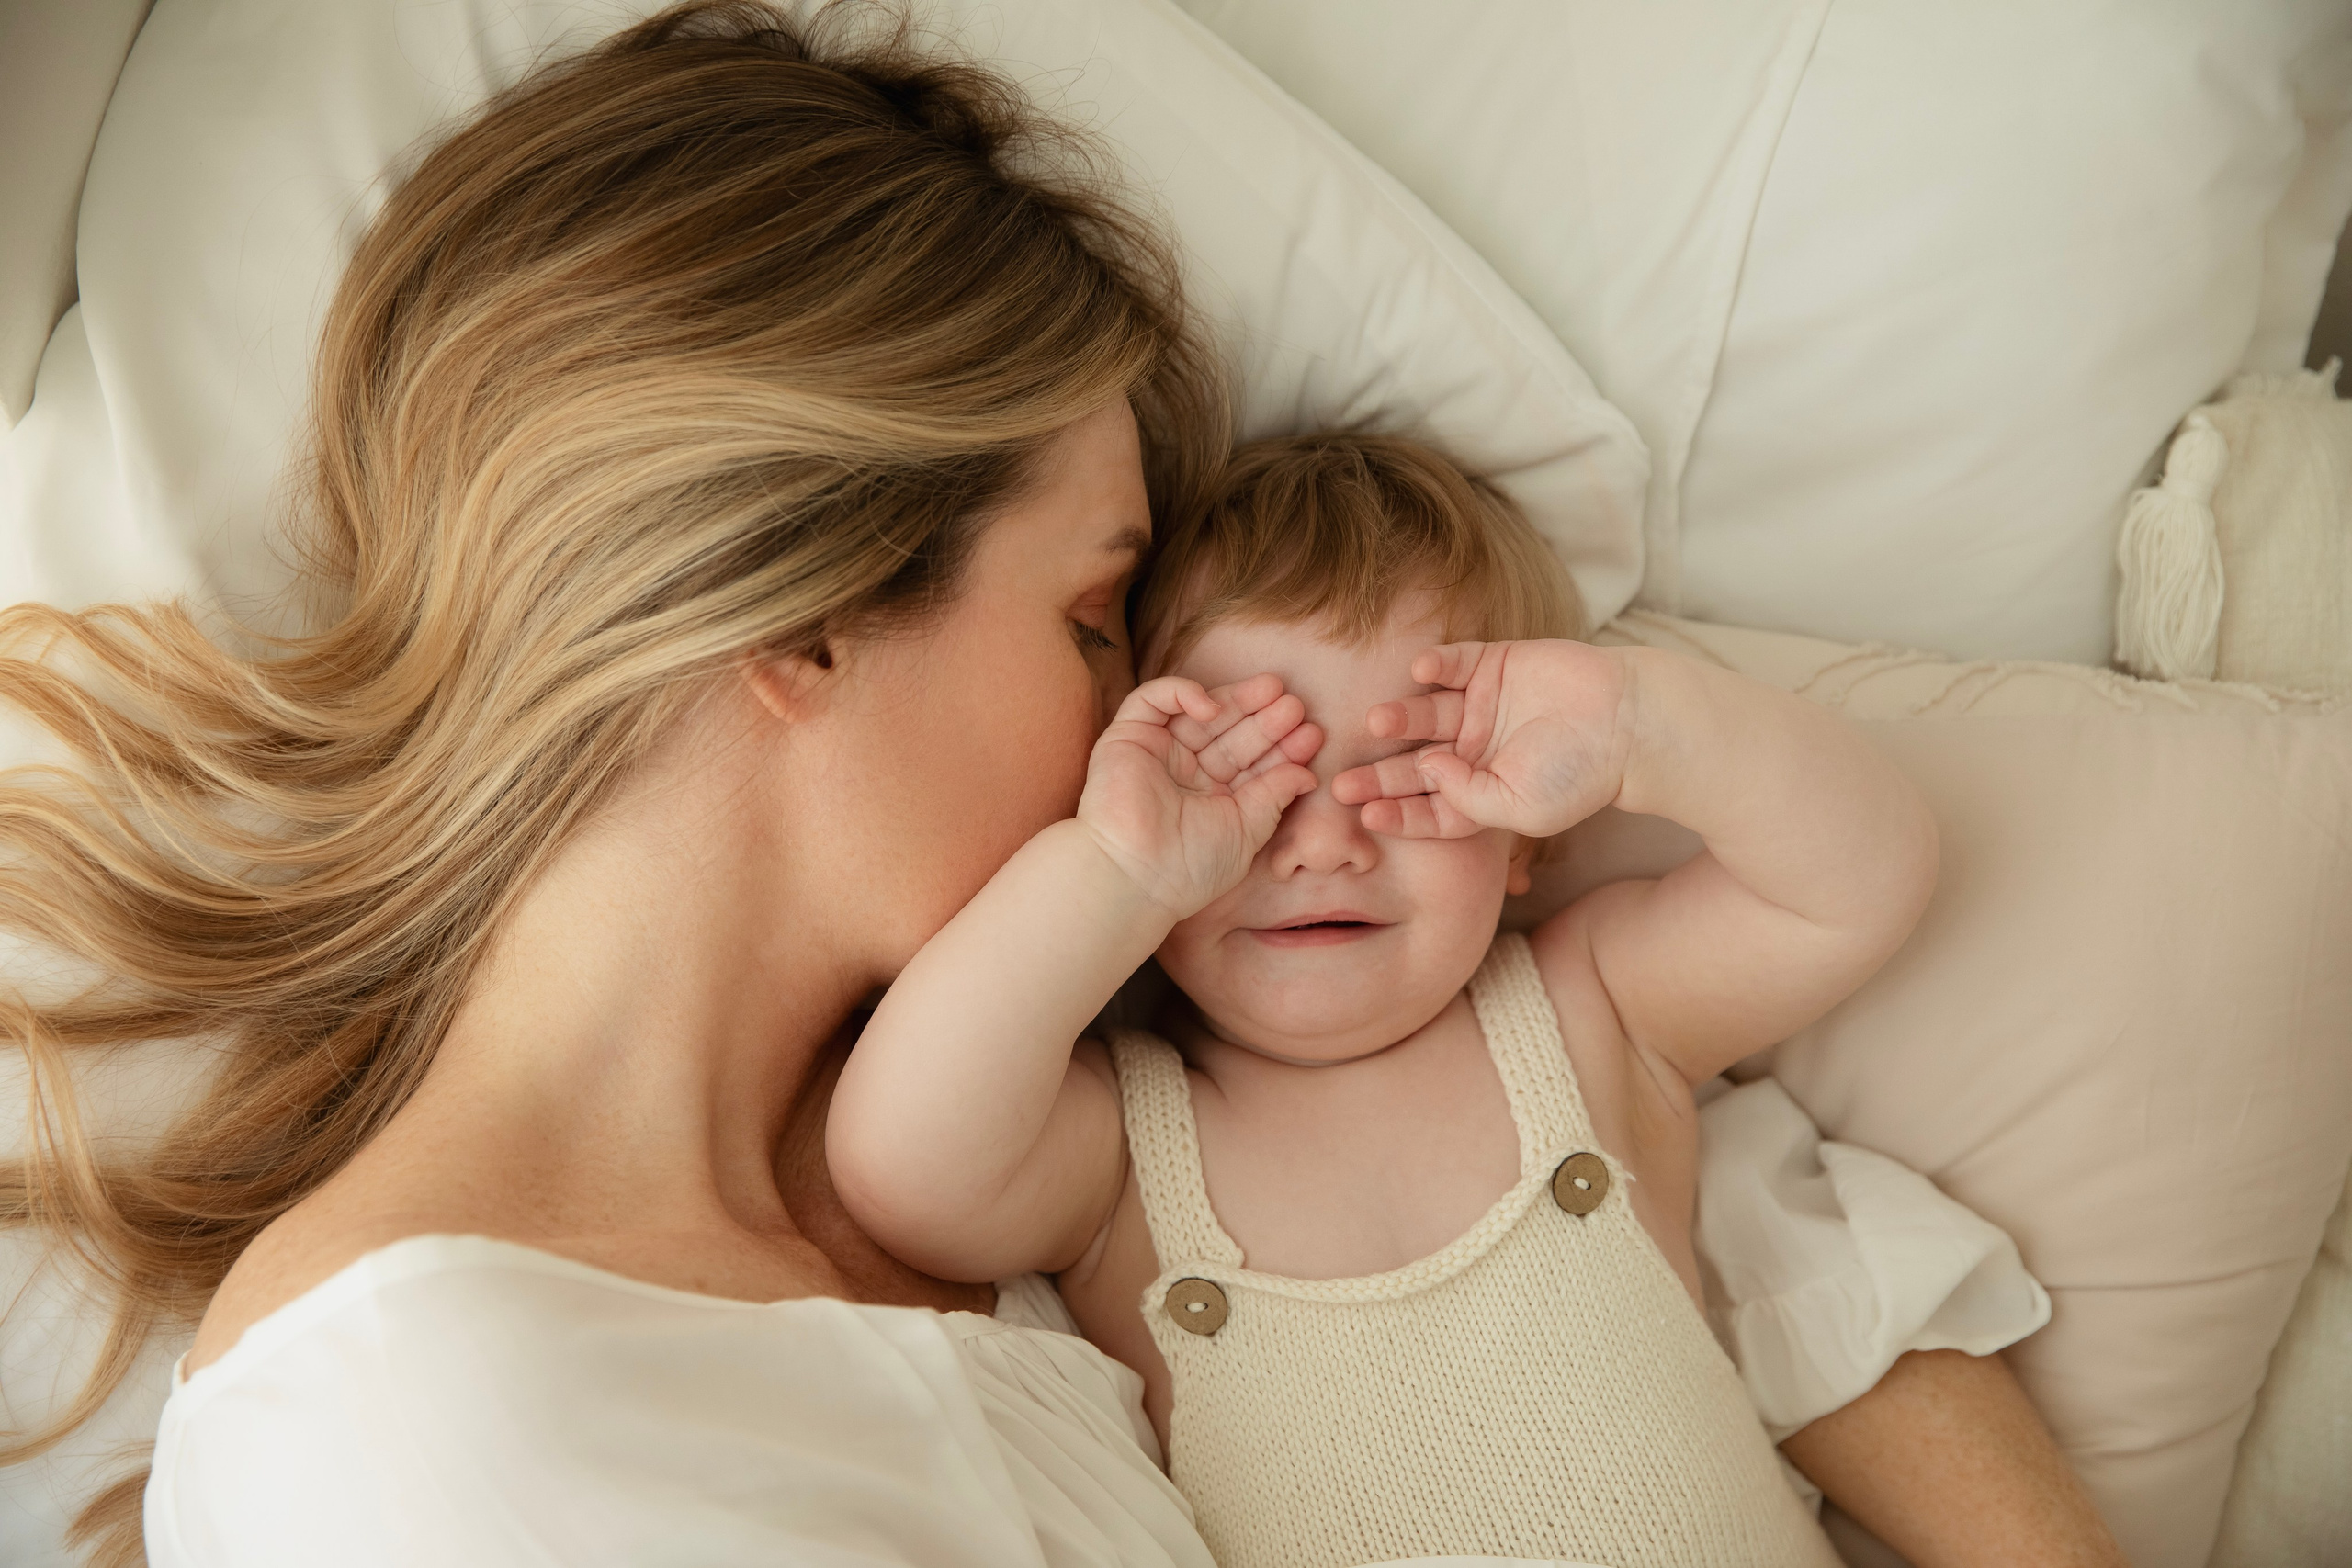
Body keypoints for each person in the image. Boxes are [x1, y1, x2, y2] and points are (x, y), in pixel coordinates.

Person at [0, 6, 2106, 1566]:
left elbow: (1620, 1240)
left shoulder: (968, 1179)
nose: (1165, 754)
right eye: (1099, 619)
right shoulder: (429, 1431)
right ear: (804, 611)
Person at [829, 434, 2130, 1568]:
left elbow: (1860, 876)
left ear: (1527, 835)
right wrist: (1113, 873)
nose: (1324, 843)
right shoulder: (1125, 1154)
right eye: (1255, 778)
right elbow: (904, 1160)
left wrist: (1639, 727)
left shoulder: (1590, 1016)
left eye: (1403, 770)